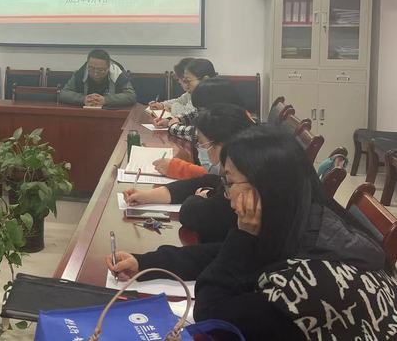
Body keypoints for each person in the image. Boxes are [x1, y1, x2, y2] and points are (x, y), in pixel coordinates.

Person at [108, 126, 396, 341]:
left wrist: (243, 234)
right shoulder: (304, 217)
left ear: (265, 186)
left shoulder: (307, 280)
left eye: (229, 182)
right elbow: (226, 253)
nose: (225, 193)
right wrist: (146, 262)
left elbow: (212, 317)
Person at [126, 103, 256, 241]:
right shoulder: (236, 171)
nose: (200, 148)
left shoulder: (243, 186)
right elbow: (206, 180)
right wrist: (146, 196)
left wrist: (198, 198)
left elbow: (191, 213)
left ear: (221, 145)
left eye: (202, 143)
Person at [59, 49, 136, 107]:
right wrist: (83, 99)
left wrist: (106, 100)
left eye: (100, 70)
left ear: (108, 68)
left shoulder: (117, 73)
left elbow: (131, 96)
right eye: (91, 68)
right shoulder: (81, 72)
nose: (95, 73)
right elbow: (63, 93)